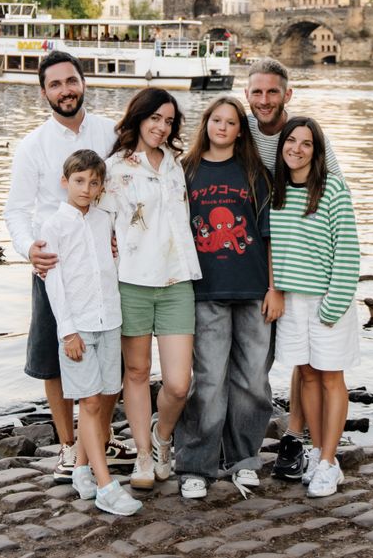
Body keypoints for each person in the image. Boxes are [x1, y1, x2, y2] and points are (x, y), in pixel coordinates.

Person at [4, 50, 133, 482]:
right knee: (55, 357)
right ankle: (66, 446)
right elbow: (16, 210)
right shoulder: (33, 146)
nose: (65, 90)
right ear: (44, 92)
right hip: (54, 265)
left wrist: (122, 235)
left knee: (108, 353)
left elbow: (124, 192)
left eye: (71, 81)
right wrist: (29, 249)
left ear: (84, 83)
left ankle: (99, 439)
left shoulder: (110, 133)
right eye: (55, 84)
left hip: (104, 267)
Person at [244, 58, 341, 481]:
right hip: (253, 250)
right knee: (270, 354)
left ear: (288, 93)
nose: (265, 100)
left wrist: (332, 271)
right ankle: (242, 436)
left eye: (272, 92)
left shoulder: (303, 134)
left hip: (296, 259)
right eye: (257, 92)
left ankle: (296, 436)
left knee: (306, 360)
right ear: (247, 94)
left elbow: (335, 193)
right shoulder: (242, 129)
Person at [175, 96, 277, 500]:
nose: (222, 127)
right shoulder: (186, 170)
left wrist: (274, 288)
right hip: (206, 291)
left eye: (231, 122)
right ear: (206, 124)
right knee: (209, 381)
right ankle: (195, 465)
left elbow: (269, 238)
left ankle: (243, 459)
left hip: (253, 292)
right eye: (216, 120)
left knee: (253, 381)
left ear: (239, 130)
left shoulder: (255, 173)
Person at [102, 87, 202, 490]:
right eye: (155, 118)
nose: (162, 127)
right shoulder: (114, 169)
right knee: (138, 371)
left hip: (178, 280)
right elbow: (100, 225)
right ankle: (143, 455)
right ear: (139, 117)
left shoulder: (179, 165)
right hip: (132, 282)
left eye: (169, 121)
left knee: (178, 383)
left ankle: (163, 437)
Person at [40, 149, 142, 516]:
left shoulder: (104, 220)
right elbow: (54, 283)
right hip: (78, 327)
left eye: (93, 182)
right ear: (65, 182)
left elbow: (112, 262)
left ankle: (82, 469)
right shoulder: (54, 226)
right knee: (90, 403)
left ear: (101, 187)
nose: (86, 188)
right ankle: (106, 486)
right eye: (79, 181)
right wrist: (68, 332)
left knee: (105, 395)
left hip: (109, 320)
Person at [270, 116, 360, 499]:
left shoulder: (332, 189)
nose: (297, 149)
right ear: (282, 147)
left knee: (330, 378)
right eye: (291, 141)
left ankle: (328, 461)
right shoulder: (275, 191)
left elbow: (348, 252)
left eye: (306, 143)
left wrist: (333, 305)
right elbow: (272, 248)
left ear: (316, 150)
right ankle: (320, 453)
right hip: (292, 302)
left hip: (327, 299)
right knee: (306, 376)